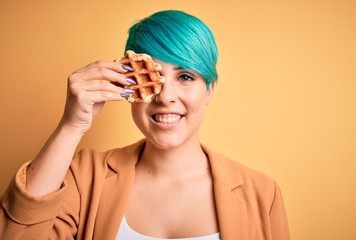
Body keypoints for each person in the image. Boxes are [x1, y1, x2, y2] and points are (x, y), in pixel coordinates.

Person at [0, 10, 290, 240]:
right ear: (129, 84)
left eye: (186, 76)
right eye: (155, 76)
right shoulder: (84, 176)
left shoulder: (262, 193)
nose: (165, 96)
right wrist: (71, 126)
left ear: (210, 90)